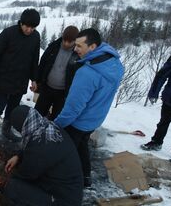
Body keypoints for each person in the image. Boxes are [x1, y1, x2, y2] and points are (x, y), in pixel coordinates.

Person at [53, 28, 124, 187]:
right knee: (82, 146)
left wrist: (58, 124)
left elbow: (73, 108)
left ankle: (65, 182)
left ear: (92, 47)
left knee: (65, 151)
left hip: (79, 121)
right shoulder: (113, 63)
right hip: (95, 119)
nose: (75, 49)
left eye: (79, 46)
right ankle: (86, 177)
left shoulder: (87, 73)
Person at [0, 105, 83, 206]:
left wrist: (1, 187)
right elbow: (34, 148)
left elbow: (25, 175)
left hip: (63, 201)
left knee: (13, 187)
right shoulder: (48, 127)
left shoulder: (39, 147)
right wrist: (19, 156)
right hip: (68, 187)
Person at [0, 8, 41, 147]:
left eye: (32, 27)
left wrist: (34, 79)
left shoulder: (35, 36)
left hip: (21, 80)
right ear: (21, 23)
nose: (29, 30)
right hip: (4, 78)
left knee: (13, 108)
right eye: (27, 26)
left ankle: (6, 130)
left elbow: (35, 59)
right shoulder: (8, 33)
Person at [35, 25, 80, 119]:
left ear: (75, 41)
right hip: (47, 88)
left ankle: (49, 133)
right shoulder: (54, 47)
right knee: (37, 114)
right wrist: (37, 81)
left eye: (70, 42)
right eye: (65, 40)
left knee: (56, 118)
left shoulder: (78, 54)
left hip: (63, 93)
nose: (66, 44)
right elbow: (42, 64)